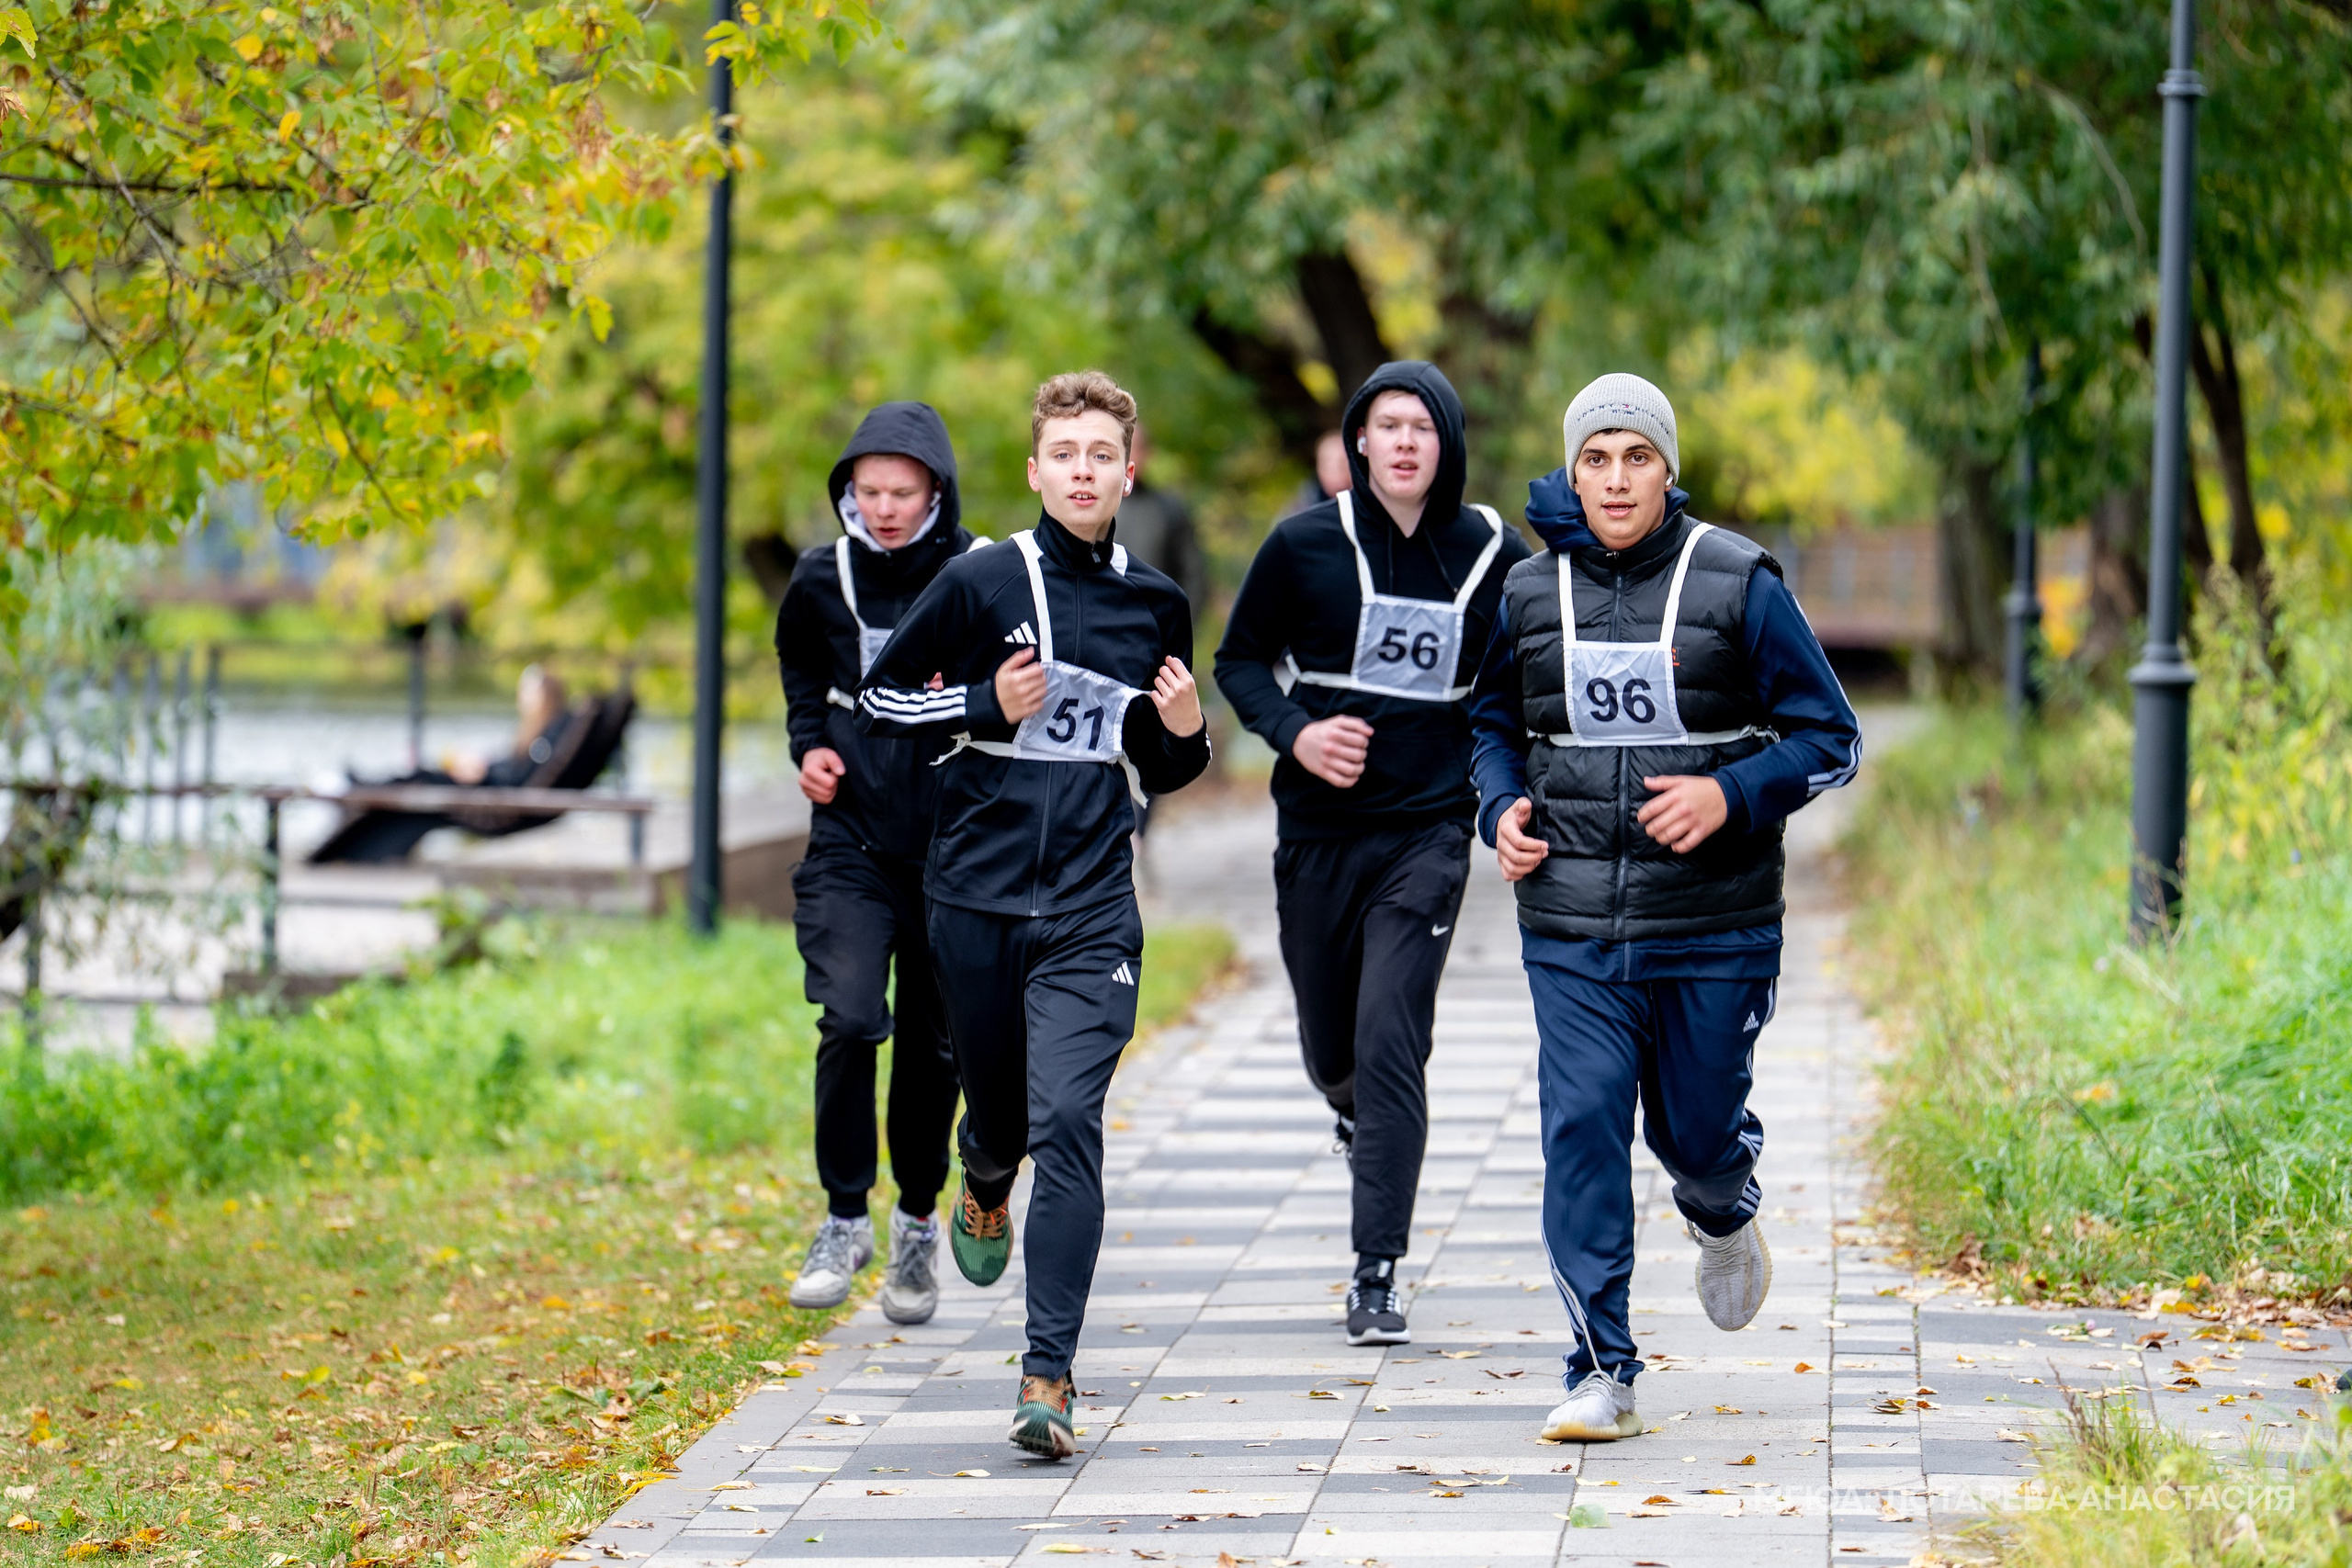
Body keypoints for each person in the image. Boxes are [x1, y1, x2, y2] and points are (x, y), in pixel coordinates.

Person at [1464, 373, 1860, 1441]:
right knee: (1582, 1127)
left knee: (1693, 1130)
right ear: (1572, 472)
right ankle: (1601, 1369)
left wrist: (1729, 794)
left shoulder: (1738, 580)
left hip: (1714, 922)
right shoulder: (1527, 592)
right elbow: (1492, 725)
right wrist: (1499, 806)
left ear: (1667, 469)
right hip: (1570, 920)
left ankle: (1721, 1204)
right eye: (1594, 458)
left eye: (1636, 456)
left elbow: (1832, 738)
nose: (1615, 478)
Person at [856, 371, 1210, 1458]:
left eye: (1102, 455)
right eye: (1065, 455)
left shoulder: (1156, 603)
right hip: (974, 894)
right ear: (1035, 470)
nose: (1083, 472)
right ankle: (982, 1170)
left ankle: (1047, 1374)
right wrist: (982, 702)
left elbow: (1160, 762)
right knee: (1006, 1124)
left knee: (1070, 1125)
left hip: (1092, 903)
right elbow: (880, 701)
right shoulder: (980, 579)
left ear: (1128, 472)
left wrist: (1186, 732)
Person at [1214, 362, 1530, 1347]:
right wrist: (1298, 733)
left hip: (1427, 833)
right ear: (1358, 440)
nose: (1403, 443)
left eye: (1422, 427)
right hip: (1317, 833)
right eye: (1386, 425)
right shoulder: (1302, 543)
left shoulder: (1492, 551)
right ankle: (1350, 1108)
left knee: (1392, 1035)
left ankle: (1376, 1268)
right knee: (1332, 1050)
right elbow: (1237, 661)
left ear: (1447, 444)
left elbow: (1536, 660)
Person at [774, 402, 981, 1325]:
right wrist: (809, 743)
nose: (885, 509)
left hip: (950, 848)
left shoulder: (978, 572)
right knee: (852, 1018)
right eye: (869, 492)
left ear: (935, 490)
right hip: (850, 843)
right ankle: (843, 1217)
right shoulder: (821, 575)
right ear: (848, 492)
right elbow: (797, 662)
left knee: (936, 1049)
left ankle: (916, 1223)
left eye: (902, 492)